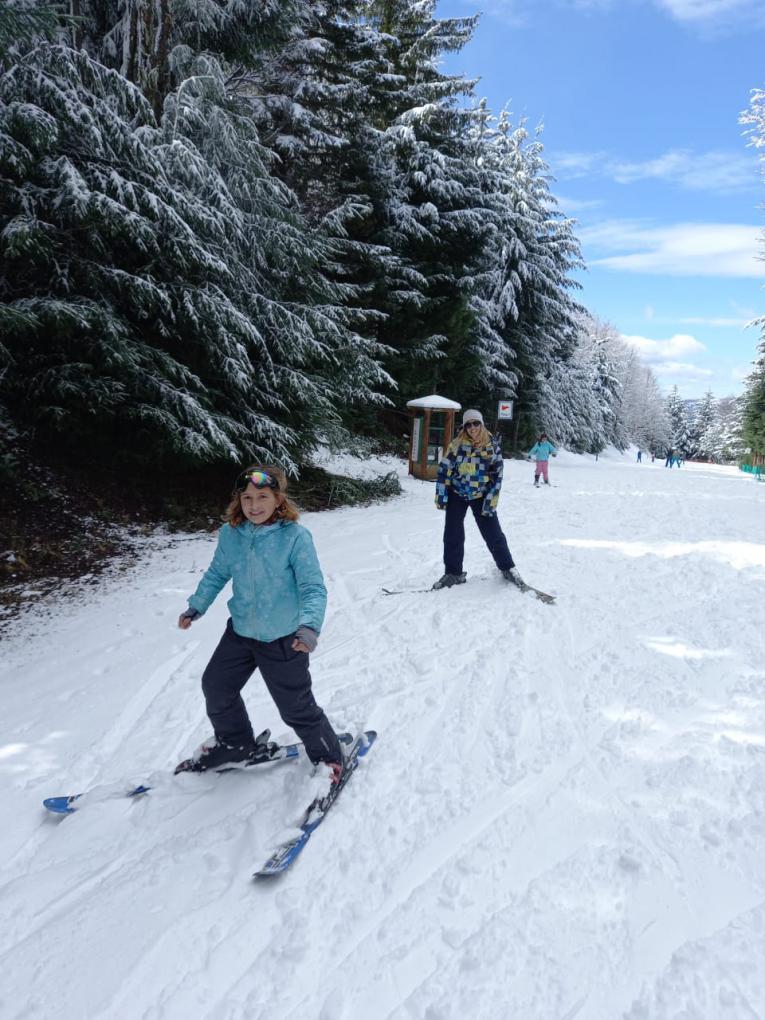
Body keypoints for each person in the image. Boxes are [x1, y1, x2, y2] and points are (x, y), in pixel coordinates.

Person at [177, 465, 344, 782]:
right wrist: (197, 605)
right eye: (247, 497)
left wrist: (308, 628)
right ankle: (236, 744)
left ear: (279, 499)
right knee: (217, 686)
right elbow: (216, 573)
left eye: (263, 497)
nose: (254, 505)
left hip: (284, 638)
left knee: (295, 707)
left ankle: (329, 758)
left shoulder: (294, 537)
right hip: (240, 633)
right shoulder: (231, 534)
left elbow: (312, 587)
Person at [433, 409, 530, 593]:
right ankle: (453, 573)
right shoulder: (457, 444)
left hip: (481, 495)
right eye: (468, 424)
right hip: (457, 493)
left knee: (494, 534)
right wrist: (441, 495)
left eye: (475, 423)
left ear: (482, 424)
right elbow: (444, 470)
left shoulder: (491, 446)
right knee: (452, 534)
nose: (472, 428)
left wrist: (491, 501)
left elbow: (497, 474)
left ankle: (508, 568)